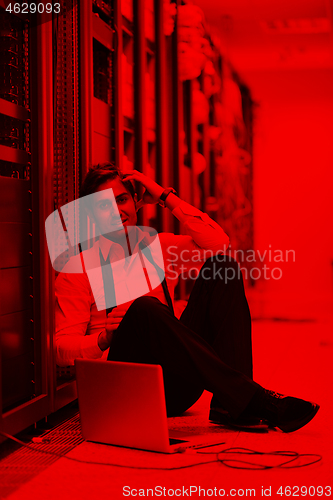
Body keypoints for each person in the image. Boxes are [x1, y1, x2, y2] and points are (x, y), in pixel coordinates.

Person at [55, 162, 319, 432]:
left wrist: (165, 197)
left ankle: (232, 405)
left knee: (223, 267)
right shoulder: (76, 270)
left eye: (121, 200)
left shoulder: (158, 247)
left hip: (177, 388)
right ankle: (254, 399)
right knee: (144, 307)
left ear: (135, 202)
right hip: (127, 387)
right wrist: (104, 339)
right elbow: (61, 348)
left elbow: (218, 243)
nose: (116, 211)